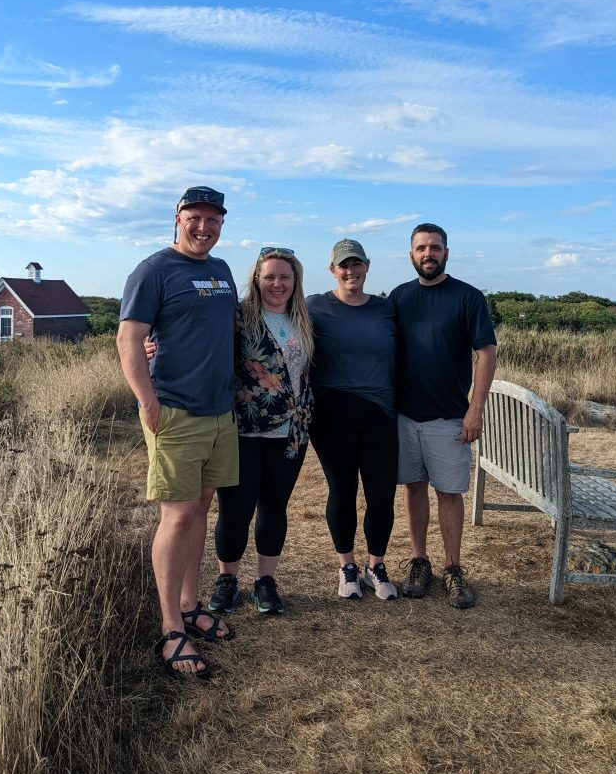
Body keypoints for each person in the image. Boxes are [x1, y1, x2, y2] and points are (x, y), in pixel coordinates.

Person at [117, 186, 238, 679]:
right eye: (195, 218)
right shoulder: (153, 270)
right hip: (176, 412)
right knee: (179, 515)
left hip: (220, 411)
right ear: (178, 218)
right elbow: (128, 337)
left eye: (213, 219)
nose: (204, 227)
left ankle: (190, 604)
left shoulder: (222, 271)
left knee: (201, 510)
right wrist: (147, 399)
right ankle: (171, 629)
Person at [390, 223, 497, 609]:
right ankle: (420, 563)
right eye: (421, 248)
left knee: (449, 494)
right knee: (413, 486)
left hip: (450, 417)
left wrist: (475, 409)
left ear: (447, 252)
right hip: (405, 415)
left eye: (435, 247)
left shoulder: (468, 297)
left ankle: (453, 568)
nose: (428, 254)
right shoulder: (400, 297)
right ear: (411, 255)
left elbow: (486, 352)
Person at [208, 248, 314, 616]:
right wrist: (152, 346)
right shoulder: (239, 316)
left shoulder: (304, 319)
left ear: (295, 281)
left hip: (291, 432)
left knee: (273, 507)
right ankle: (227, 580)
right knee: (235, 510)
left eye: (285, 277)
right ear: (256, 279)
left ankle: (265, 582)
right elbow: (199, 340)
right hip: (244, 430)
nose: (277, 283)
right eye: (269, 276)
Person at [307, 238, 399, 601]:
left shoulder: (386, 309)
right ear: (332, 269)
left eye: (356, 264)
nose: (350, 271)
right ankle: (346, 565)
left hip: (381, 413)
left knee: (381, 494)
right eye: (343, 265)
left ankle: (376, 566)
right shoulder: (314, 305)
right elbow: (272, 328)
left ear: (367, 266)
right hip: (331, 414)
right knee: (342, 490)